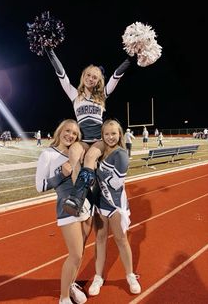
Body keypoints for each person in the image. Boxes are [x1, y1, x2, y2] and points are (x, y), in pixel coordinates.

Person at [46, 48, 138, 216]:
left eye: (95, 77)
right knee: (74, 152)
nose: (91, 79)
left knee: (89, 157)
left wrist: (130, 58)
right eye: (88, 75)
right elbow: (61, 74)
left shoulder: (102, 95)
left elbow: (116, 76)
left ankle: (77, 199)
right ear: (84, 76)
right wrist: (50, 51)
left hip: (98, 140)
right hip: (83, 140)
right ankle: (80, 197)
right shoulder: (75, 95)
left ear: (98, 81)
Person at [35, 119, 93, 304]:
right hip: (67, 206)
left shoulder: (78, 152)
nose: (70, 135)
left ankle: (71, 284)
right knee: (75, 254)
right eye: (67, 131)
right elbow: (40, 186)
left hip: (85, 204)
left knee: (80, 253)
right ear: (60, 131)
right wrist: (62, 174)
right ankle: (64, 297)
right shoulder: (48, 154)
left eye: (75, 133)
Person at [88, 119, 141, 296]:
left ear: (120, 134)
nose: (110, 137)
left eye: (113, 133)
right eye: (106, 134)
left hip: (115, 204)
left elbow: (116, 183)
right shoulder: (101, 152)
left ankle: (130, 275)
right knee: (100, 239)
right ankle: (98, 276)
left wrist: (96, 168)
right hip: (99, 203)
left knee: (120, 239)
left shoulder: (121, 154)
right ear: (102, 135)